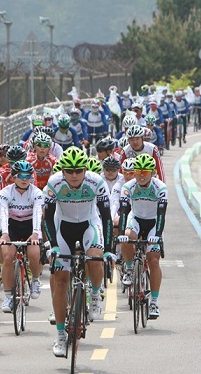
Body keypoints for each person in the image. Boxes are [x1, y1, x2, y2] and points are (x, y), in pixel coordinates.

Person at [44, 147, 114, 357]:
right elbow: (47, 218)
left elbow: (107, 218)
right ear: (63, 171)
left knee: (95, 259)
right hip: (62, 226)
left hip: (88, 224)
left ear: (85, 170)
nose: (74, 175)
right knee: (61, 279)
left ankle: (94, 295)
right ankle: (59, 336)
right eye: (69, 171)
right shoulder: (54, 183)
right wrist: (54, 245)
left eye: (78, 170)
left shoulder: (97, 183)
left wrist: (108, 250)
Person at [117, 154, 167, 319]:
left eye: (145, 171)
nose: (141, 174)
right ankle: (130, 269)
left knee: (153, 259)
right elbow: (124, 212)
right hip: (136, 219)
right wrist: (121, 233)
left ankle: (154, 301)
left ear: (152, 172)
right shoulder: (128, 187)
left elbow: (161, 215)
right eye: (138, 171)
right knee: (127, 235)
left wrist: (158, 236)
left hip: (154, 223)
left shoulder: (160, 188)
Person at [0, 160, 45, 313]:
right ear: (13, 177)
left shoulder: (37, 192)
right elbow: (3, 214)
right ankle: (7, 296)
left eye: (28, 175)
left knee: (34, 253)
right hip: (12, 226)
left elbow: (38, 213)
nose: (25, 179)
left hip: (30, 226)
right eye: (21, 175)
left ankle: (36, 279)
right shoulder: (5, 192)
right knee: (7, 257)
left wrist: (36, 233)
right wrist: (4, 233)